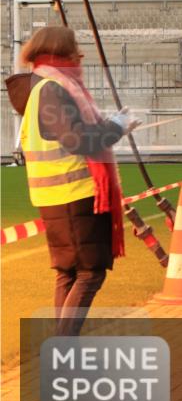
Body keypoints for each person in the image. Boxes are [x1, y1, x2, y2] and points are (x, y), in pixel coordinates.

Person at [5, 26, 139, 336]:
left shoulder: (40, 87)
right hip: (74, 193)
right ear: (61, 52)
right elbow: (78, 139)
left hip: (55, 195)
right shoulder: (54, 87)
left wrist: (110, 125)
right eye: (73, 51)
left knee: (68, 273)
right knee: (90, 273)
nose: (78, 58)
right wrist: (116, 127)